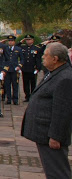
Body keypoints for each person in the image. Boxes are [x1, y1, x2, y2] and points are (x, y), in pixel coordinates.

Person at [21, 42, 72, 179]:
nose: (42, 57)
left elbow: (63, 111)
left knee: (57, 172)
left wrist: (55, 136)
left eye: (45, 55)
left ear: (55, 59)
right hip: (43, 132)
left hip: (51, 135)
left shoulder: (65, 78)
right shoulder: (55, 72)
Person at [19, 34, 42, 102]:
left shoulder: (36, 48)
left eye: (29, 39)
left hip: (33, 68)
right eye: (27, 40)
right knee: (25, 83)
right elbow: (16, 47)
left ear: (33, 40)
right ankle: (27, 96)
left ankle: (33, 95)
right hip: (25, 68)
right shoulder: (23, 48)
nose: (28, 41)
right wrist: (21, 42)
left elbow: (38, 59)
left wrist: (38, 68)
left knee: (33, 83)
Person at [4, 35, 22, 105]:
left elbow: (22, 59)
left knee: (15, 85)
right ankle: (8, 99)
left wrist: (19, 66)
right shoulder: (5, 49)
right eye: (9, 41)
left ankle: (15, 99)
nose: (10, 42)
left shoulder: (18, 49)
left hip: (15, 69)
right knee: (7, 85)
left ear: (14, 42)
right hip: (7, 69)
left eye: (12, 41)